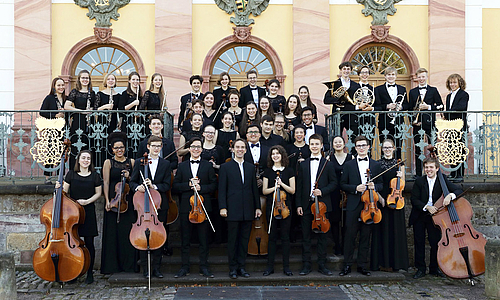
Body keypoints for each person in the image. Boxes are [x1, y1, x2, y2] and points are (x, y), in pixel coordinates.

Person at [410, 156, 462, 279]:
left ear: (437, 168)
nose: (428, 170)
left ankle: (434, 268)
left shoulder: (442, 179)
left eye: (431, 167)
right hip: (420, 215)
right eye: (426, 167)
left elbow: (459, 190)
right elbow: (414, 199)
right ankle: (420, 269)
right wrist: (427, 207)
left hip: (436, 217)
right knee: (419, 242)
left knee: (436, 243)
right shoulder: (419, 181)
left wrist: (450, 196)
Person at [172, 137, 217, 278]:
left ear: (202, 150)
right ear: (189, 149)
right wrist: (189, 186)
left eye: (198, 147)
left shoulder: (208, 166)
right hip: (187, 207)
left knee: (204, 239)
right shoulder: (182, 166)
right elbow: (175, 187)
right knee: (185, 240)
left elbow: (214, 185)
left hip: (203, 208)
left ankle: (204, 267)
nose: (196, 149)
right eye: (193, 147)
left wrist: (201, 187)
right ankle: (184, 267)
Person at [56, 150, 102, 284]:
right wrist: (58, 188)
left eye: (88, 158)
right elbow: (64, 192)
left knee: (89, 243)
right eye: (83, 158)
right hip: (72, 213)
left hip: (88, 211)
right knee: (72, 243)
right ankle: (74, 272)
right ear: (78, 160)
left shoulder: (95, 176)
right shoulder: (71, 174)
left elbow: (98, 193)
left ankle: (89, 273)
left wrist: (87, 201)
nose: (86, 160)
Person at [339, 135, 383, 277]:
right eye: (359, 146)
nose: (362, 148)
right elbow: (342, 184)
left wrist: (374, 186)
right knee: (350, 236)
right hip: (353, 204)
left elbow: (382, 184)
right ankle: (346, 265)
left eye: (364, 145)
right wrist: (354, 188)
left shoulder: (376, 165)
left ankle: (362, 266)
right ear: (355, 148)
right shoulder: (348, 165)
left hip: (369, 206)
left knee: (365, 235)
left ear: (368, 147)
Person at [218, 138, 262, 279]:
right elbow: (222, 190)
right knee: (233, 241)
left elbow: (254, 189)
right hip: (232, 209)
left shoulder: (250, 167)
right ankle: (232, 268)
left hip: (248, 209)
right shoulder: (226, 167)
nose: (240, 149)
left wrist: (257, 207)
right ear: (233, 149)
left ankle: (242, 267)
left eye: (242, 147)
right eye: (237, 147)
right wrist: (223, 207)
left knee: (244, 240)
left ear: (245, 149)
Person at [129, 135, 171, 278]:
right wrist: (138, 187)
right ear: (148, 147)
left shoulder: (165, 164)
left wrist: (154, 186)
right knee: (142, 236)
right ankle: (146, 270)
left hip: (159, 205)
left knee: (159, 236)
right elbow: (132, 182)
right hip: (143, 206)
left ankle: (157, 269)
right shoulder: (140, 162)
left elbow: (166, 185)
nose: (156, 148)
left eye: (158, 146)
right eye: (153, 146)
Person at [296, 134, 337, 276]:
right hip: (307, 205)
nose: (314, 146)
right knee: (306, 237)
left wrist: (322, 191)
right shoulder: (303, 164)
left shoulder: (328, 164)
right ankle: (306, 265)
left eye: (316, 144)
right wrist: (299, 205)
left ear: (321, 146)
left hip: (323, 206)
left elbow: (334, 183)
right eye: (312, 144)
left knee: (322, 237)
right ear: (309, 146)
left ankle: (322, 265)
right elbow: (300, 186)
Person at [370, 139, 409, 272]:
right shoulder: (377, 164)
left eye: (389, 147)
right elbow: (376, 185)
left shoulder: (400, 164)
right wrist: (381, 200)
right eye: (384, 148)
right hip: (382, 201)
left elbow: (403, 184)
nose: (387, 150)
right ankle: (382, 263)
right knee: (382, 231)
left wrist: (400, 176)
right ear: (382, 149)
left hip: (396, 200)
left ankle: (396, 264)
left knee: (395, 231)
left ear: (393, 148)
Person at [100, 132, 137, 274]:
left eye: (121, 147)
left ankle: (129, 265)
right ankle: (112, 267)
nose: (119, 150)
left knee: (126, 233)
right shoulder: (108, 163)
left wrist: (129, 177)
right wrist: (107, 201)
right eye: (116, 148)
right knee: (112, 234)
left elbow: (134, 183)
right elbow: (106, 182)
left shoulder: (132, 162)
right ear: (112, 149)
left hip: (127, 202)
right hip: (114, 202)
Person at [262, 145, 295, 276]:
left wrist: (282, 185)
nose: (275, 155)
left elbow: (292, 190)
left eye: (278, 153)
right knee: (272, 237)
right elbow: (264, 190)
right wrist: (274, 187)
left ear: (282, 155)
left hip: (286, 208)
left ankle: (286, 267)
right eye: (273, 153)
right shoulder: (268, 171)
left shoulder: (289, 171)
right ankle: (270, 267)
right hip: (271, 208)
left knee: (285, 238)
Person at [408, 68, 443, 176]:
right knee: (418, 149)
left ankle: (437, 172)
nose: (421, 79)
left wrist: (428, 107)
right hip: (418, 124)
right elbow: (410, 109)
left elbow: (440, 105)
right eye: (419, 77)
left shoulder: (433, 90)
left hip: (431, 124)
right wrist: (412, 122)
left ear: (426, 77)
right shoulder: (412, 92)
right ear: (417, 78)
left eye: (423, 76)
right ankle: (418, 174)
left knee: (434, 148)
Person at [374, 67, 409, 159]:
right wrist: (387, 106)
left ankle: (398, 169)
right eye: (389, 74)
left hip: (398, 122)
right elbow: (376, 106)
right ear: (385, 76)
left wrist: (401, 107)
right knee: (384, 146)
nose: (391, 76)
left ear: (396, 76)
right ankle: (384, 169)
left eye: (393, 74)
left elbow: (407, 105)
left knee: (398, 147)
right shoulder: (378, 89)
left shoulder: (402, 89)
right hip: (384, 122)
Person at [64, 70, 96, 170]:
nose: (85, 80)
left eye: (87, 78)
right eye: (83, 78)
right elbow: (66, 106)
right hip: (78, 121)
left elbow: (95, 107)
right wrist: (81, 111)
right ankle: (74, 171)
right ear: (79, 79)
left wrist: (91, 110)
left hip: (89, 122)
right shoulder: (75, 92)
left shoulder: (92, 93)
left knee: (88, 145)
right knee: (76, 146)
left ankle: (87, 171)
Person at [323, 62, 361, 139]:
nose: (346, 71)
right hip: (338, 115)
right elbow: (326, 100)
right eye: (344, 69)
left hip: (351, 115)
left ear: (350, 71)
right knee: (337, 137)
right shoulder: (335, 84)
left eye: (348, 69)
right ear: (340, 70)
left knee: (354, 138)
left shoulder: (356, 85)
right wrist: (339, 100)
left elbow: (358, 99)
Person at [329, 135, 353, 255]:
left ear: (344, 144)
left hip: (348, 192)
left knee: (347, 220)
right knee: (335, 220)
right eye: (335, 142)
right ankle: (337, 245)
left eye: (340, 142)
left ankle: (345, 244)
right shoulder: (329, 158)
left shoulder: (351, 157)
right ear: (332, 145)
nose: (338, 144)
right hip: (334, 192)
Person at [40, 77, 66, 184]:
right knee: (51, 152)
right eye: (58, 85)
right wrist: (55, 115)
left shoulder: (66, 99)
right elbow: (42, 112)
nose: (61, 87)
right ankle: (48, 177)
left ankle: (61, 176)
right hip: (52, 129)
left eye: (62, 85)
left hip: (63, 129)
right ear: (54, 87)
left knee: (62, 153)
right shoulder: (49, 98)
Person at [444, 73, 469, 181]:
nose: (452, 84)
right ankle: (453, 172)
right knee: (451, 149)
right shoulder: (449, 96)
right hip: (450, 125)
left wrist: (448, 112)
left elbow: (461, 107)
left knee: (459, 150)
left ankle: (460, 175)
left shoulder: (464, 94)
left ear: (459, 83)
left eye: (454, 82)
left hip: (459, 125)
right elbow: (449, 111)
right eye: (451, 82)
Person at [118, 72, 142, 157]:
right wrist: (133, 104)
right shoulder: (125, 94)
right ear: (129, 81)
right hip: (127, 122)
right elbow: (120, 109)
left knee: (138, 142)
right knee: (129, 143)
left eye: (137, 80)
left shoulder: (140, 94)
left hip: (138, 122)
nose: (136, 81)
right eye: (133, 79)